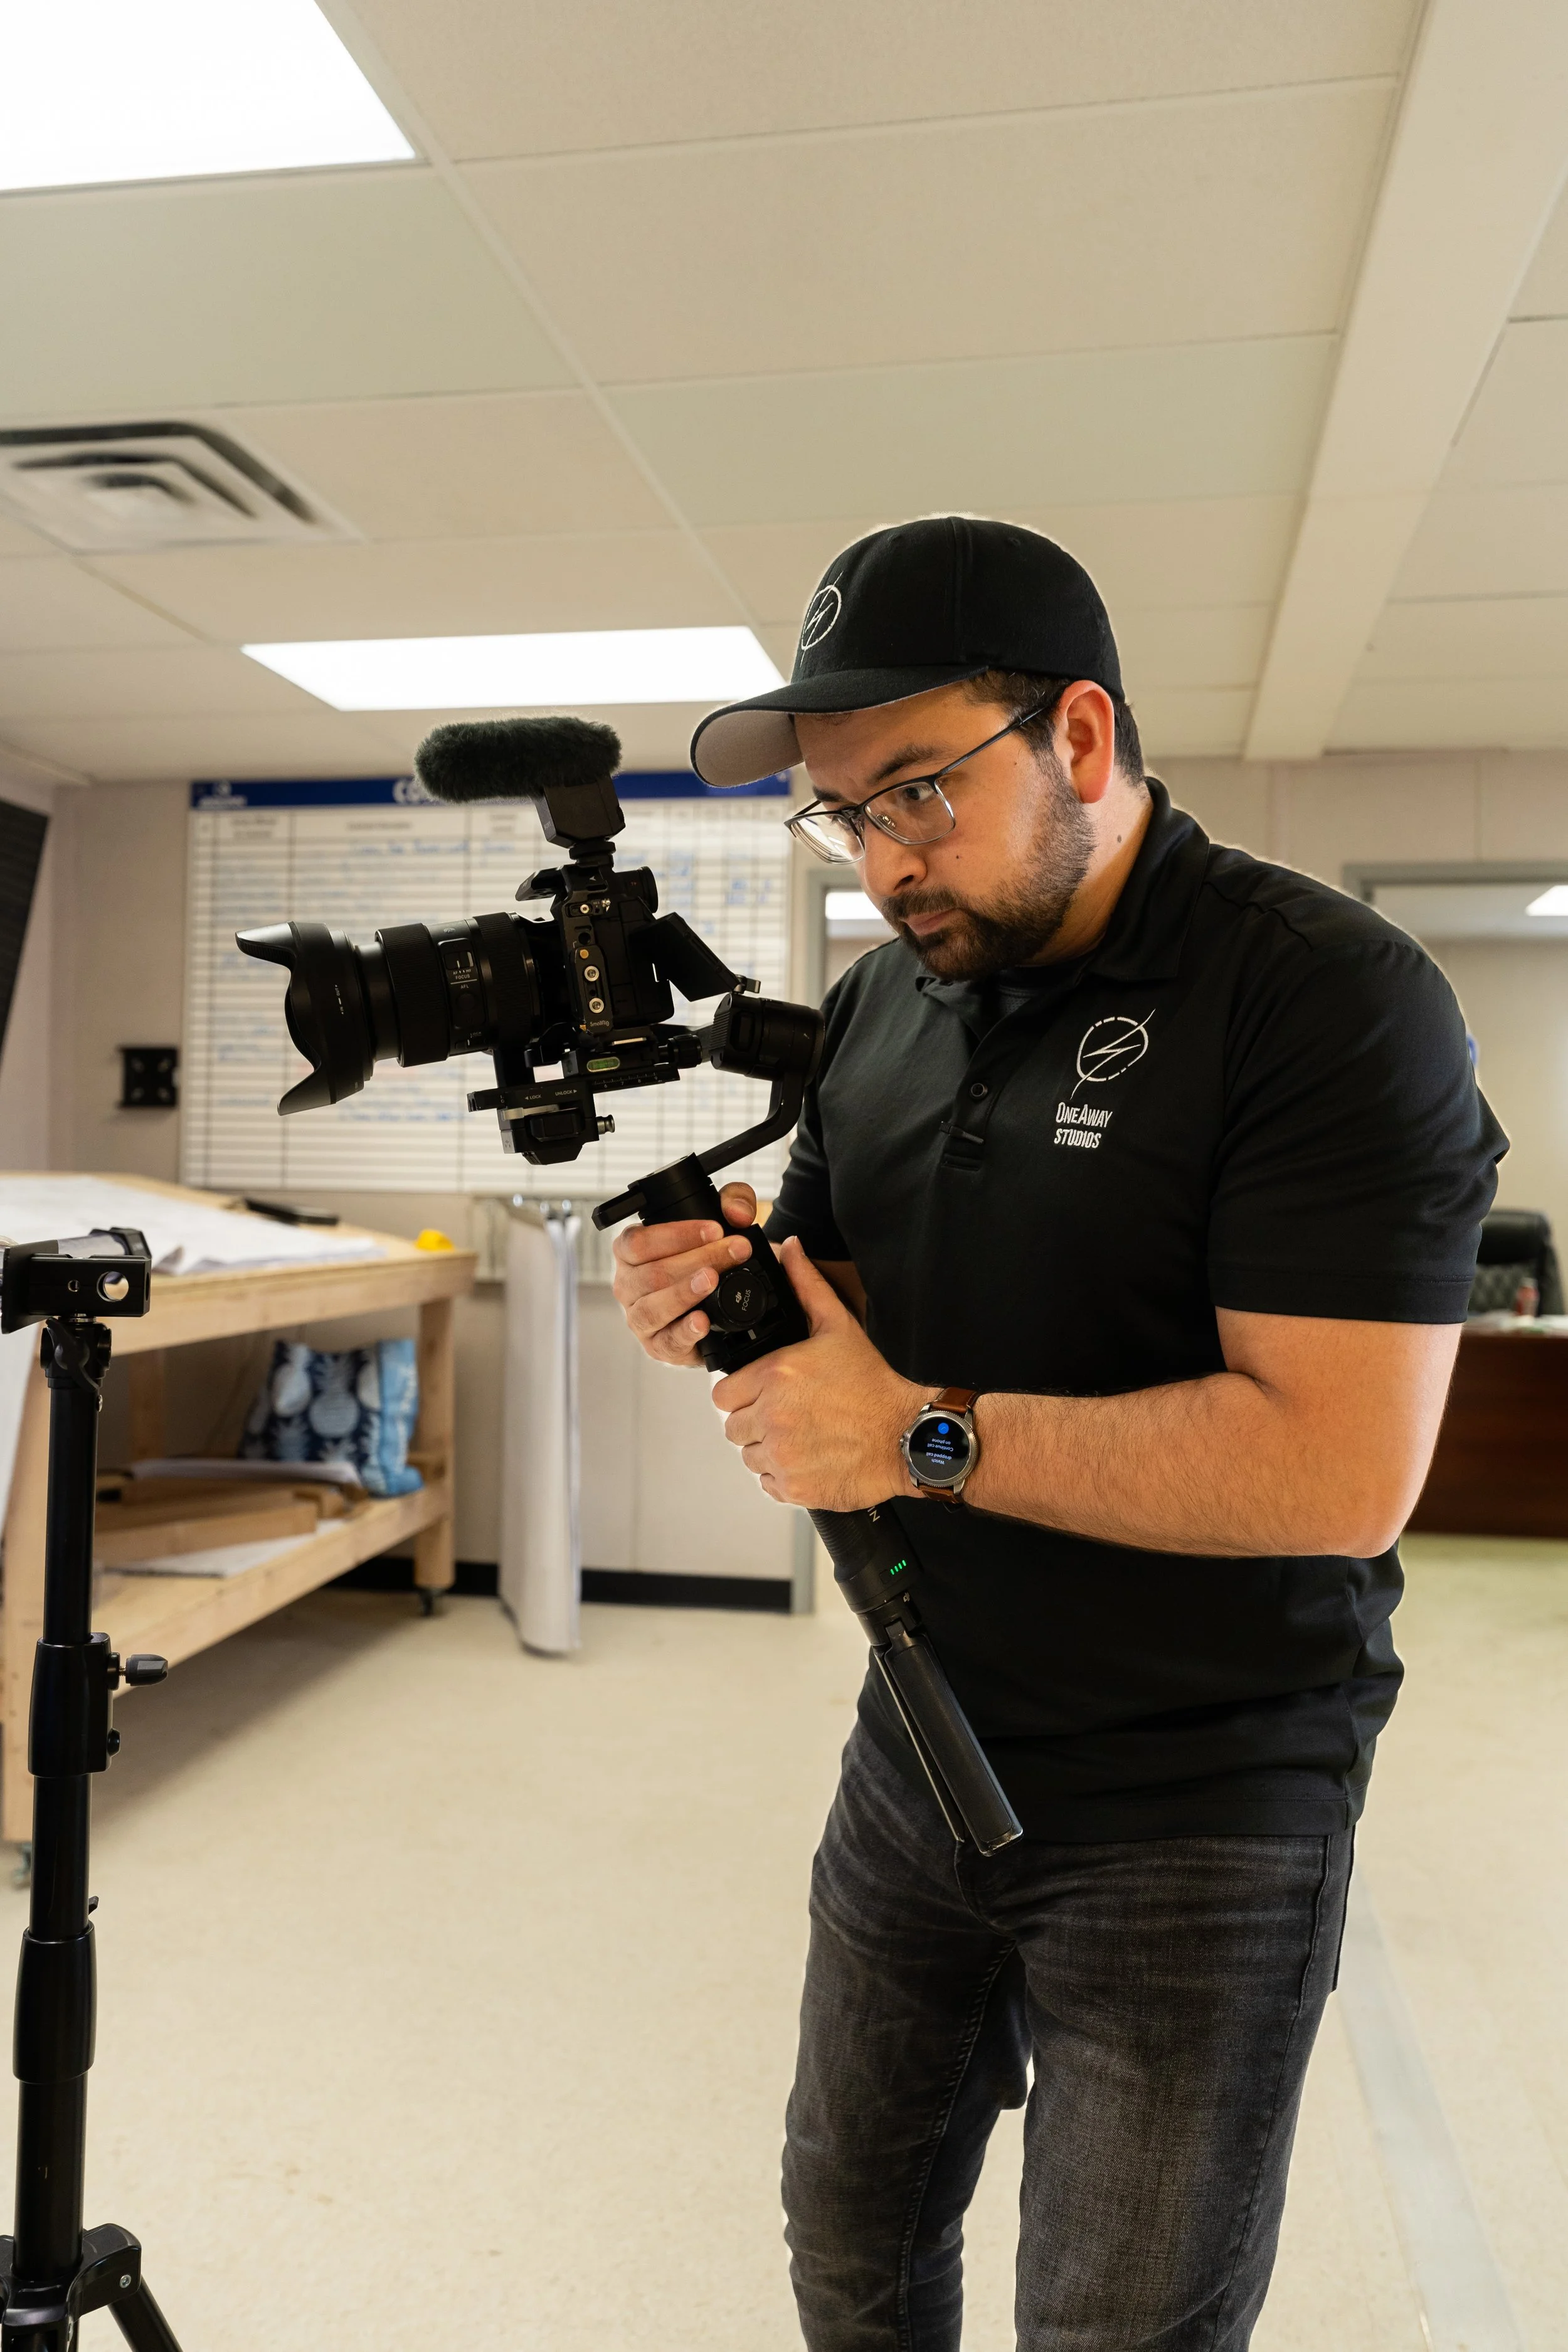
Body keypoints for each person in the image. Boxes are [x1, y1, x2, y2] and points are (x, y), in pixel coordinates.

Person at [611, 516, 1505, 2351]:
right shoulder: (883, 999)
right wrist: (729, 1291)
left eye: (918, 792)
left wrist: (916, 1440)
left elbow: (1340, 1472)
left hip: (1201, 1797)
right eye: (843, 815)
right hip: (921, 1727)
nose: (882, 861)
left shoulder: (1325, 999)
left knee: (1112, 2323)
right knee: (850, 2231)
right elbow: (841, 1298)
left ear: (1079, 737)